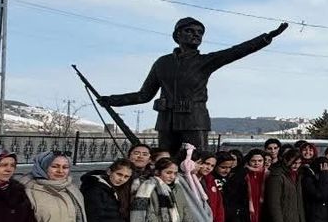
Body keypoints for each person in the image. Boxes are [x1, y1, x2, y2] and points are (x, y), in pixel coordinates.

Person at [97, 18, 288, 154]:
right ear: (177, 35)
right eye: (190, 31)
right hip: (166, 121)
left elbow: (236, 51)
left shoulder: (205, 61)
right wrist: (112, 100)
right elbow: (144, 95)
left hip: (194, 121)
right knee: (164, 163)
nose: (196, 35)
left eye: (200, 33)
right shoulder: (162, 63)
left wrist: (266, 38)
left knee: (197, 163)